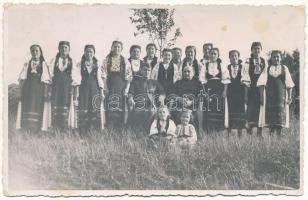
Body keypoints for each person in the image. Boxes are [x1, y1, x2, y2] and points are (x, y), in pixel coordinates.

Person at [257, 50, 294, 137]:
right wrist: (262, 97)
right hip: (270, 97)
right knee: (270, 118)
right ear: (271, 58)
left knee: (280, 118)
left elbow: (289, 84)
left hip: (281, 96)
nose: (276, 58)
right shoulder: (267, 68)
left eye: (278, 57)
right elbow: (261, 84)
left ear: (281, 58)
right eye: (274, 57)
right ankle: (271, 136)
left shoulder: (284, 68)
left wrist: (290, 97)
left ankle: (278, 137)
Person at [16, 44, 51, 133]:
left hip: (39, 91)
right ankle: (26, 130)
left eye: (37, 51)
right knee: (27, 107)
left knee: (37, 108)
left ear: (40, 52)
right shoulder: (27, 64)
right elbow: (22, 79)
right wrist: (20, 92)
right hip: (28, 90)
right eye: (33, 51)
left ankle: (36, 131)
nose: (35, 53)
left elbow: (46, 80)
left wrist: (46, 93)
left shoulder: (43, 64)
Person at [98, 40, 133, 128]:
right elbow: (103, 74)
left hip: (121, 87)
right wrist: (105, 87)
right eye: (115, 46)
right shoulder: (107, 60)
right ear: (112, 48)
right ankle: (109, 127)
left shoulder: (125, 61)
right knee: (109, 107)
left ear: (121, 49)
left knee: (120, 107)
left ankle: (119, 127)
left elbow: (128, 76)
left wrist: (126, 89)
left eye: (118, 47)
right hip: (110, 86)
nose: (117, 48)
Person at [49, 41, 81, 130]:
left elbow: (75, 78)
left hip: (67, 88)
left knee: (66, 106)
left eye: (65, 48)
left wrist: (75, 92)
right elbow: (50, 75)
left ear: (69, 50)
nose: (63, 49)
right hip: (56, 87)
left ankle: (65, 128)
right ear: (59, 49)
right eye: (62, 47)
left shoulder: (72, 61)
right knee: (55, 106)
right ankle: (55, 128)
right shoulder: (54, 61)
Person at [199, 47, 230, 133]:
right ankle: (209, 130)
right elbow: (202, 81)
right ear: (208, 55)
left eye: (215, 54)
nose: (213, 55)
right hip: (209, 90)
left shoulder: (221, 65)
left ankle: (218, 130)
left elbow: (226, 80)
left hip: (219, 90)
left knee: (219, 109)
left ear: (218, 55)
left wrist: (225, 91)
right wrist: (205, 93)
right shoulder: (205, 65)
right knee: (209, 108)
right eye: (211, 53)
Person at [128, 62, 165, 131]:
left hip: (151, 105)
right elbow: (130, 93)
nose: (147, 72)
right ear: (141, 70)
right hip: (139, 105)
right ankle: (139, 130)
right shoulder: (135, 82)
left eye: (149, 70)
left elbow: (162, 91)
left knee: (151, 111)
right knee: (139, 112)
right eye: (145, 70)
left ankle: (147, 130)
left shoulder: (154, 82)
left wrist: (161, 96)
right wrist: (130, 98)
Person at [77, 44, 103, 134]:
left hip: (94, 90)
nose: (89, 53)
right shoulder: (80, 64)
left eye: (91, 52)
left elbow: (99, 79)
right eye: (87, 51)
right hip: (83, 90)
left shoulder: (97, 65)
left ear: (94, 53)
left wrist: (102, 92)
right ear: (84, 52)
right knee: (84, 109)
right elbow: (77, 78)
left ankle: (95, 132)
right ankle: (83, 132)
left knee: (95, 109)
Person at [171, 65, 203, 136]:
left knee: (195, 115)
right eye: (185, 72)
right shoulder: (178, 83)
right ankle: (177, 135)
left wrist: (192, 102)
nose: (186, 73)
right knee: (176, 113)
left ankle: (195, 136)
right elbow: (172, 94)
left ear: (193, 73)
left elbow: (201, 95)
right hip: (179, 105)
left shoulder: (198, 83)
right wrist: (180, 99)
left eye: (189, 71)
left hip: (193, 106)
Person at [244, 42, 267, 137]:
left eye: (258, 48)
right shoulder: (248, 61)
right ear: (251, 50)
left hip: (261, 89)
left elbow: (265, 76)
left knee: (260, 109)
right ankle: (249, 133)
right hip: (251, 89)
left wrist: (262, 91)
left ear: (261, 50)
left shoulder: (264, 61)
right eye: (255, 48)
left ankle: (259, 133)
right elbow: (245, 76)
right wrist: (246, 93)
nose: (257, 50)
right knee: (250, 110)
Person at [226, 50, 250, 138]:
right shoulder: (227, 68)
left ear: (238, 57)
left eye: (235, 56)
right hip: (230, 94)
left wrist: (246, 95)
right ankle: (229, 135)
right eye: (232, 56)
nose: (234, 58)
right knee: (230, 114)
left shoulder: (242, 67)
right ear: (229, 58)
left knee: (240, 114)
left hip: (240, 94)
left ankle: (240, 136)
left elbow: (246, 83)